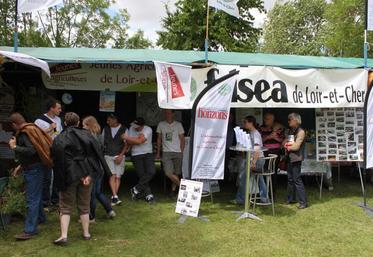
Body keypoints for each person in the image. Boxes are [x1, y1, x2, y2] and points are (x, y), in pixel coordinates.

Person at [51, 112, 110, 246]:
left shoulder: (60, 138)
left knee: (65, 206)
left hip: (69, 176)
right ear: (78, 122)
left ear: (65, 123)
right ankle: (86, 233)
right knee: (84, 205)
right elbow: (95, 155)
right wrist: (89, 174)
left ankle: (64, 236)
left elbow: (58, 159)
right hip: (85, 175)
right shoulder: (87, 135)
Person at [8, 113, 53, 240]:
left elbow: (31, 151)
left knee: (31, 199)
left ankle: (30, 230)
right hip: (38, 167)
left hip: (34, 169)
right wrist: (21, 166)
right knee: (36, 195)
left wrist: (15, 147)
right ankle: (40, 218)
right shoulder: (32, 128)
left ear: (14, 124)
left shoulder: (25, 133)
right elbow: (35, 152)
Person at [82, 116, 116, 222]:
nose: (82, 127)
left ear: (88, 125)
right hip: (100, 167)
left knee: (92, 193)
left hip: (93, 168)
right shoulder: (99, 135)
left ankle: (91, 217)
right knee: (97, 192)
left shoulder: (88, 137)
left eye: (84, 125)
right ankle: (110, 210)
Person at [34, 98, 63, 208]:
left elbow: (59, 133)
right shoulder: (39, 121)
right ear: (51, 108)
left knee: (57, 176)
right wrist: (50, 129)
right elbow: (36, 137)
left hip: (57, 151)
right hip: (46, 152)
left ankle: (55, 200)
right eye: (58, 108)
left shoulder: (59, 120)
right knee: (47, 178)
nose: (60, 110)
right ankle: (45, 202)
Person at [235, 116, 268, 204]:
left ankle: (241, 199)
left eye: (245, 122)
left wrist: (253, 162)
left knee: (243, 178)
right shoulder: (251, 133)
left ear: (251, 123)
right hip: (257, 159)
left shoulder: (255, 134)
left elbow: (257, 149)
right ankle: (264, 198)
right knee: (259, 179)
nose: (244, 124)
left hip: (257, 159)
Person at [123, 117, 156, 204]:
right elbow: (129, 142)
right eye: (134, 125)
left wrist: (128, 138)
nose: (134, 127)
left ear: (142, 126)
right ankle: (149, 195)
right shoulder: (131, 128)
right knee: (142, 176)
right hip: (136, 154)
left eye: (137, 126)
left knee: (151, 172)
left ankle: (136, 188)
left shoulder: (148, 129)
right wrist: (133, 140)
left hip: (147, 153)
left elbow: (139, 141)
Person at [156, 110, 185, 196]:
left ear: (173, 114)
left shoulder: (178, 124)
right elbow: (159, 139)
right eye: (166, 113)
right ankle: (183, 188)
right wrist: (158, 152)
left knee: (176, 173)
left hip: (177, 151)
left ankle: (173, 190)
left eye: (169, 113)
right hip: (166, 152)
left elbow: (182, 139)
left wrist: (182, 151)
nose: (167, 115)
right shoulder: (161, 124)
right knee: (168, 173)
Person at [283, 113, 308, 209]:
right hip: (290, 158)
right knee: (290, 179)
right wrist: (286, 144)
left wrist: (287, 146)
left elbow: (296, 146)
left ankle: (303, 202)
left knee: (297, 180)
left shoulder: (301, 132)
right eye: (288, 119)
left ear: (296, 120)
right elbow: (287, 142)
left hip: (296, 159)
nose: (288, 121)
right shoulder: (290, 130)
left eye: (290, 119)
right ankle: (290, 199)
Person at [102, 114, 127, 206]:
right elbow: (102, 142)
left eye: (109, 120)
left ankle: (114, 197)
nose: (107, 122)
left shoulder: (124, 129)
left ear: (115, 120)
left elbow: (126, 144)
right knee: (112, 175)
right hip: (108, 155)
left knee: (118, 176)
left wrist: (121, 155)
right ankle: (115, 196)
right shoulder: (105, 129)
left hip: (119, 155)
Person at [260, 112, 284, 185]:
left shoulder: (279, 128)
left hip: (275, 152)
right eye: (264, 118)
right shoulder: (261, 128)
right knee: (264, 170)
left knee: (273, 170)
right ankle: (265, 187)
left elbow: (283, 141)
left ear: (272, 120)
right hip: (264, 152)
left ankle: (272, 188)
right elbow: (259, 140)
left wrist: (275, 137)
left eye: (267, 119)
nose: (265, 120)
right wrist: (269, 137)